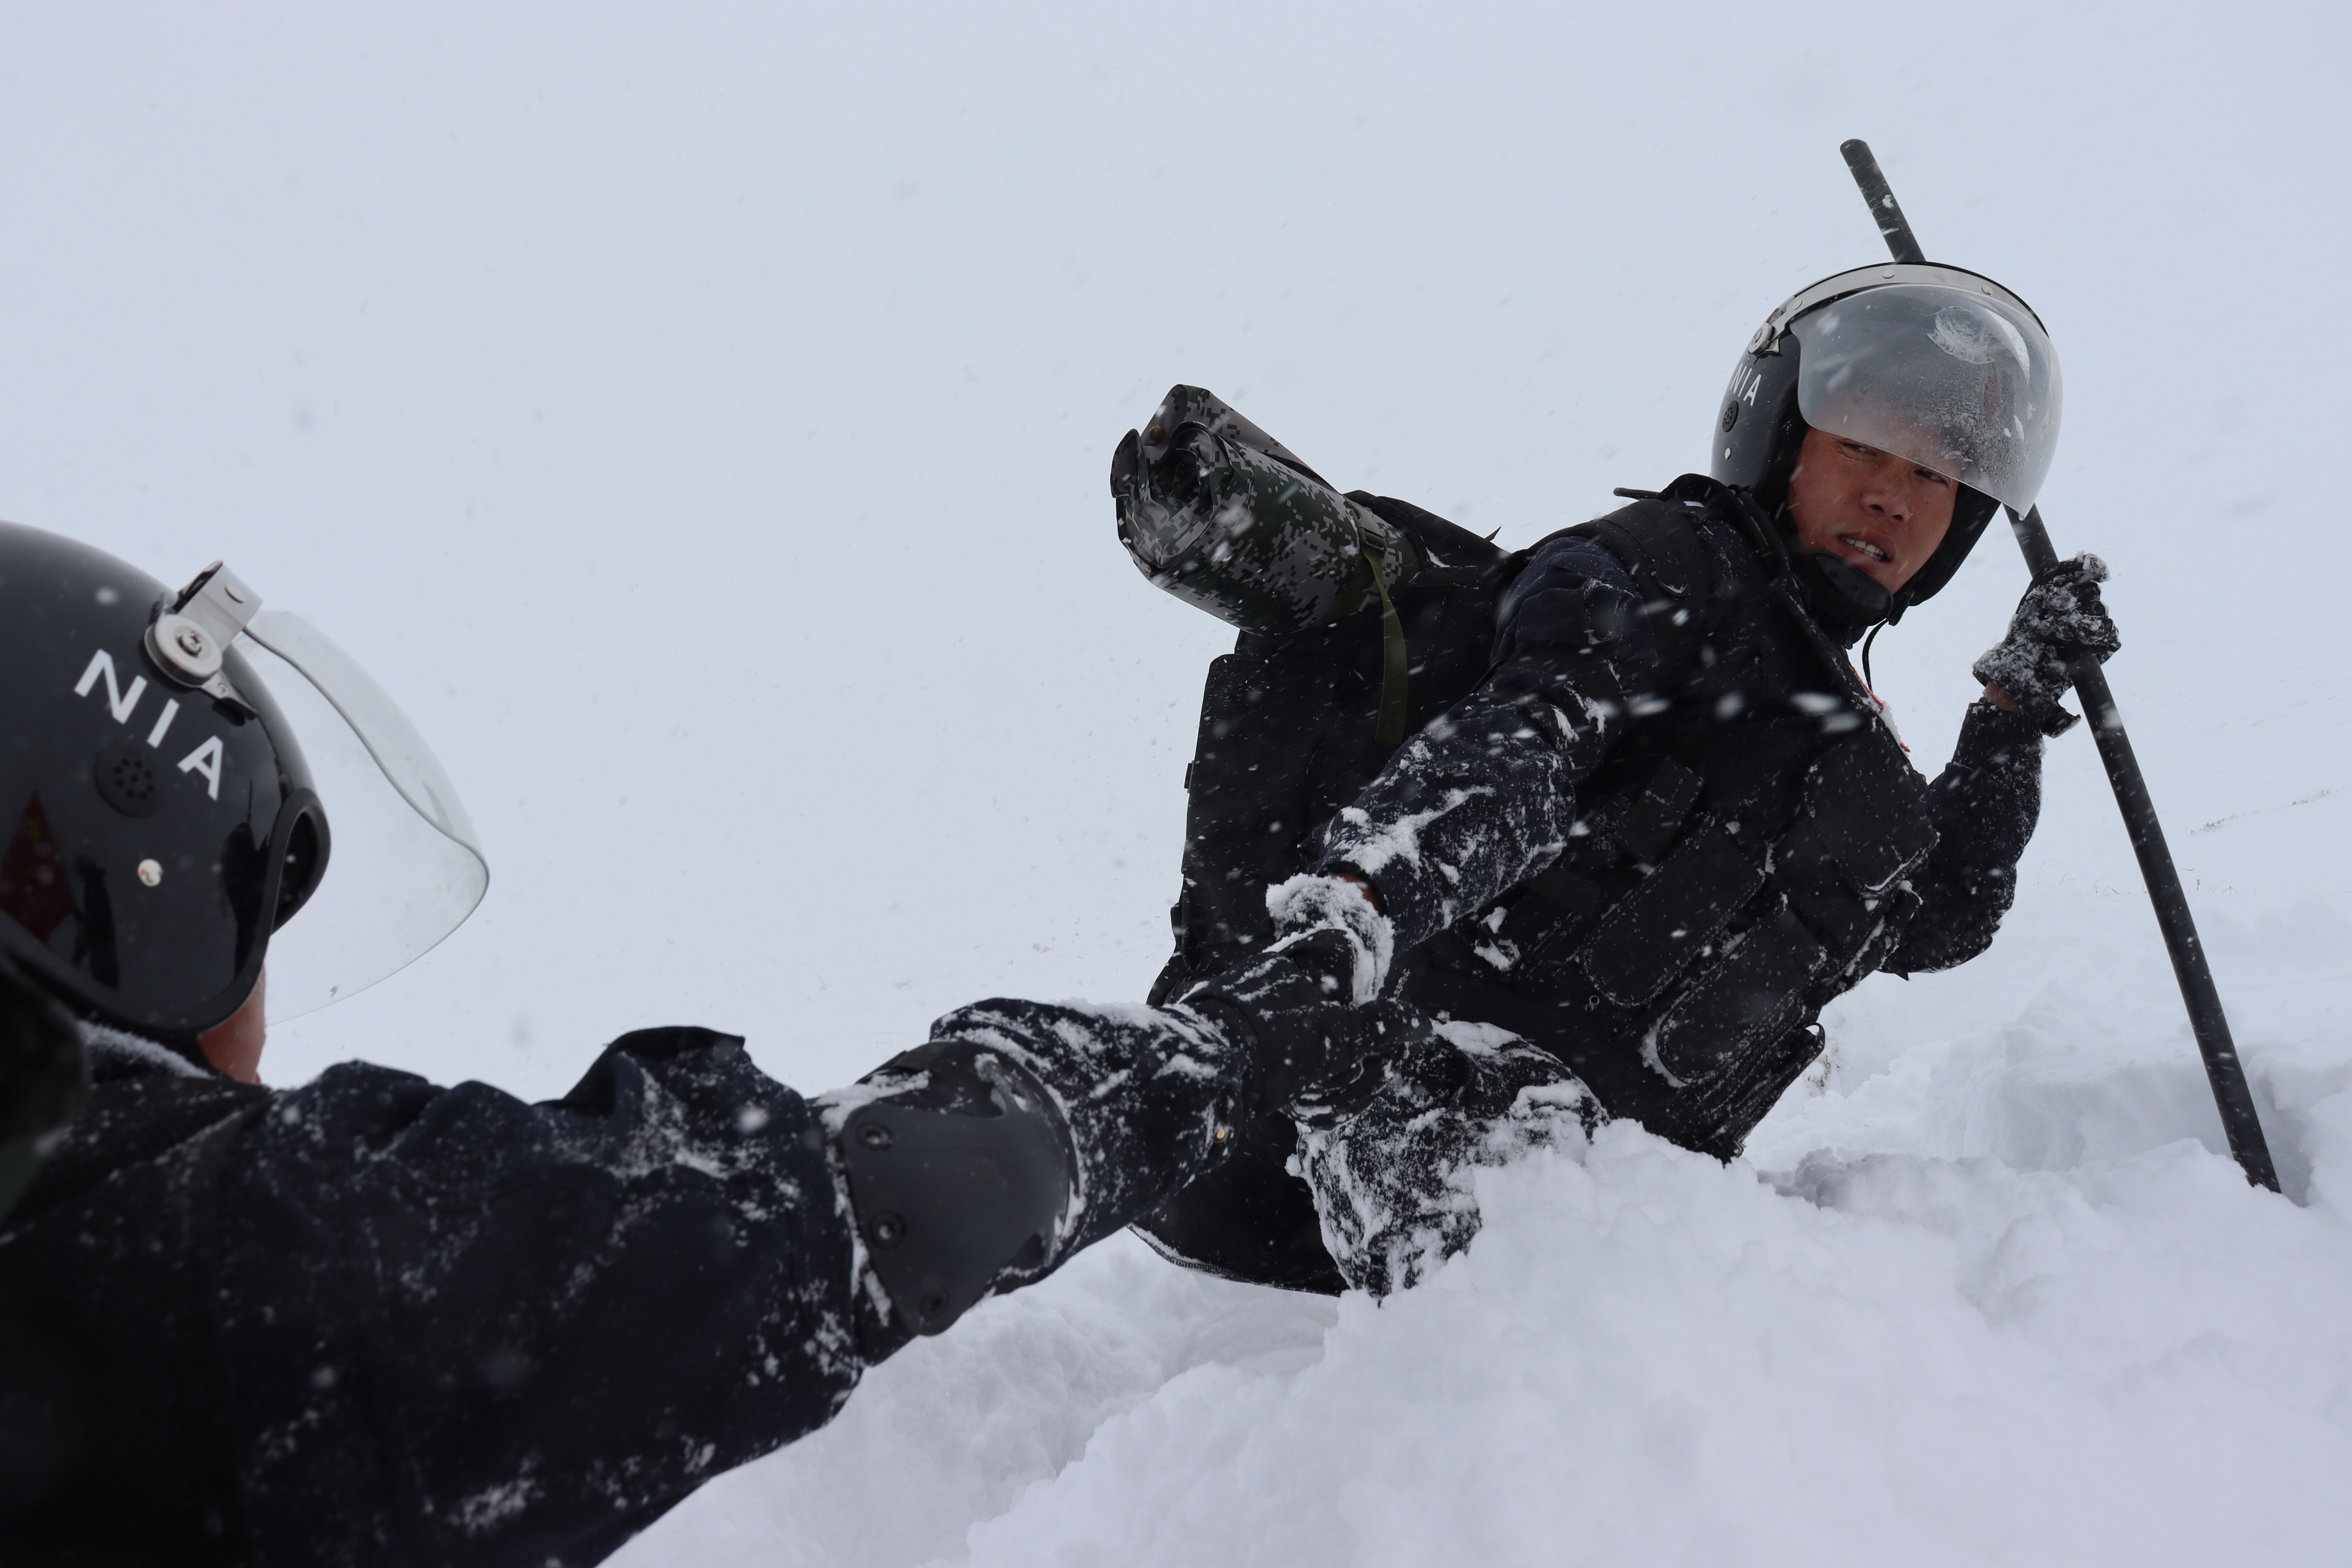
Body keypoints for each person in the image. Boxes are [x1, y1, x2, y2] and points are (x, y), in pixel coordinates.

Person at [0, 523, 1412, 1567]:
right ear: (127, 861)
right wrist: (1200, 1062)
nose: (258, 1032)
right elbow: (749, 1234)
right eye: (252, 934)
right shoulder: (135, 1233)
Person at [1109, 260, 2121, 1296]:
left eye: (1932, 476)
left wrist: (2012, 713)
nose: (1891, 496)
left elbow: (1947, 910)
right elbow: (1524, 736)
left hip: (1593, 1283)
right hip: (1312, 1156)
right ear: (1780, 440)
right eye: (1862, 444)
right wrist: (1352, 915)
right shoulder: (1673, 570)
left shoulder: (1862, 774)